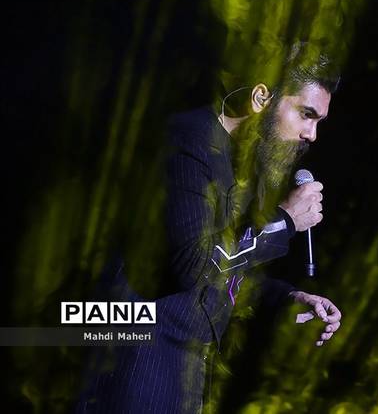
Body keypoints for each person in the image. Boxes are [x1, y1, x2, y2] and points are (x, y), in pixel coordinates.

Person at [76, 42, 342, 413]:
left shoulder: (247, 165)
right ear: (261, 97)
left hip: (185, 370)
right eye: (306, 114)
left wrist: (288, 297)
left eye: (318, 122)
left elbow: (225, 270)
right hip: (137, 361)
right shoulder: (186, 142)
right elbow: (194, 264)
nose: (312, 134)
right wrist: (284, 222)